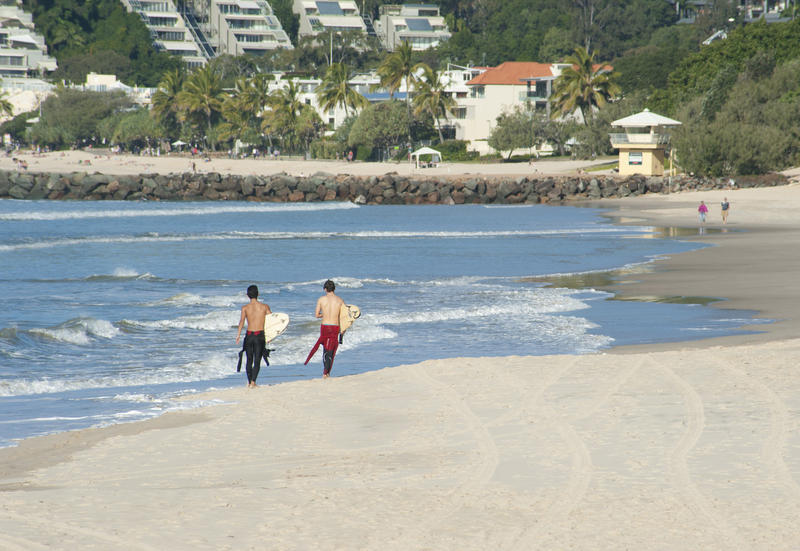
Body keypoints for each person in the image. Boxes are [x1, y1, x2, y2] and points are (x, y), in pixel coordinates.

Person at [304, 279, 345, 378]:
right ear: (334, 289)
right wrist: (343, 330)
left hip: (325, 326)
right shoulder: (340, 300)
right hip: (335, 326)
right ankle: (327, 372)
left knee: (325, 349)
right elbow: (344, 317)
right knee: (332, 350)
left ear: (325, 289)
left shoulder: (321, 299)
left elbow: (317, 315)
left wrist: (325, 314)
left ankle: (325, 372)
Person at [235, 285, 271, 388]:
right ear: (258, 294)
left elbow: (241, 321)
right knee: (257, 360)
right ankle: (253, 382)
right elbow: (272, 321)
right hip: (259, 335)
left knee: (249, 359)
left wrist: (238, 335)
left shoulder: (245, 308)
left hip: (249, 335)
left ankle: (249, 381)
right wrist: (271, 336)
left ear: (247, 295)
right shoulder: (264, 307)